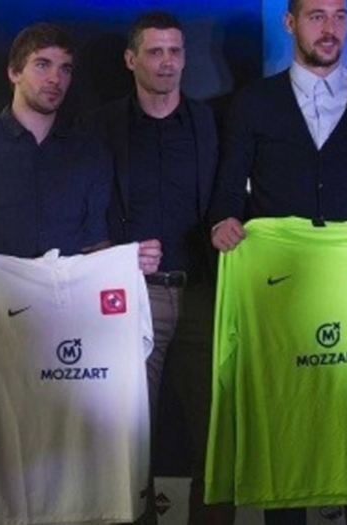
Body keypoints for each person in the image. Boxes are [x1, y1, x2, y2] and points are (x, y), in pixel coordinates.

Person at [207, 0, 347, 523]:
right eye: (316, 16)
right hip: (280, 287)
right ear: (290, 23)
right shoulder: (254, 101)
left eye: (339, 15)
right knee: (286, 418)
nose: (329, 28)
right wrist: (223, 221)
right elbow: (228, 191)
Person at [0, 23, 156, 525]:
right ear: (14, 72)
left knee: (63, 453)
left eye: (65, 69)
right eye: (43, 65)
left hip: (67, 330)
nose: (56, 79)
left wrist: (126, 262)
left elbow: (95, 244)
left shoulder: (89, 150)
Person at [84, 12, 232, 525]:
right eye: (154, 52)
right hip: (130, 296)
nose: (167, 62)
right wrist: (112, 252)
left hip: (202, 294)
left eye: (175, 51)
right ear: (131, 60)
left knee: (217, 434)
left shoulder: (210, 123)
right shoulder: (99, 127)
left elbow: (229, 198)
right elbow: (79, 208)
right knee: (127, 437)